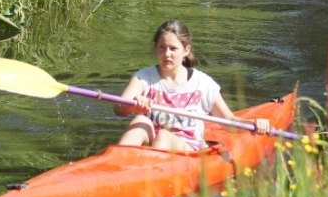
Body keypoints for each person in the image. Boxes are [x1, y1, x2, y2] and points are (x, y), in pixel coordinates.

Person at [115, 20, 272, 151]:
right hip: (153, 147)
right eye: (162, 47)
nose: (167, 54)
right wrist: (132, 107)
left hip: (189, 152)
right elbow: (118, 108)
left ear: (186, 50)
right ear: (155, 48)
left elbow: (229, 121)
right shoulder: (144, 77)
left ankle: (151, 176)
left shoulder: (203, 83)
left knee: (164, 136)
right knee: (140, 121)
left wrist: (254, 124)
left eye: (173, 48)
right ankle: (117, 167)